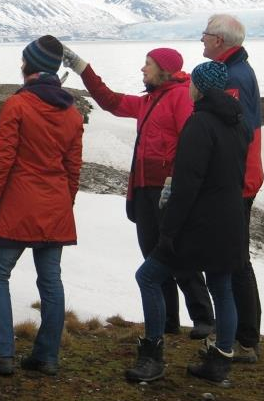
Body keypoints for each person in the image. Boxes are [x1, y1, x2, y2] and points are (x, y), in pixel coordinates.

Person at [60, 44, 215, 340]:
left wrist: (176, 182)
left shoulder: (181, 96)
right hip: (145, 191)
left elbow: (190, 143)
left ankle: (204, 318)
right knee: (153, 256)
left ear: (164, 69)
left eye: (148, 64)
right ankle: (167, 320)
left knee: (177, 254)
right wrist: (82, 68)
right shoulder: (150, 100)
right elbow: (110, 101)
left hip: (167, 191)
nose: (143, 69)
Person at [125, 61, 250, 385]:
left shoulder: (199, 124)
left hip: (198, 225)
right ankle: (220, 359)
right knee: (221, 287)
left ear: (199, 87)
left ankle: (152, 356)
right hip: (231, 222)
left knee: (148, 277)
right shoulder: (238, 123)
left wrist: (168, 231)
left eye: (192, 83)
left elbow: (186, 185)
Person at [0, 35, 84, 377]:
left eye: (23, 61)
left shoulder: (17, 105)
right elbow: (73, 167)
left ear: (30, 66)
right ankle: (47, 356)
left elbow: (2, 159)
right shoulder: (72, 112)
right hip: (55, 203)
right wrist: (66, 201)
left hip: (19, 203)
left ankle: (1, 352)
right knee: (51, 281)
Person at [201, 13, 263, 364]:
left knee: (236, 259)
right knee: (233, 257)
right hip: (239, 177)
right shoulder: (236, 71)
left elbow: (234, 133)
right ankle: (239, 333)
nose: (202, 41)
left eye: (206, 35)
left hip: (238, 180)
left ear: (220, 41)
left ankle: (245, 339)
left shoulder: (233, 77)